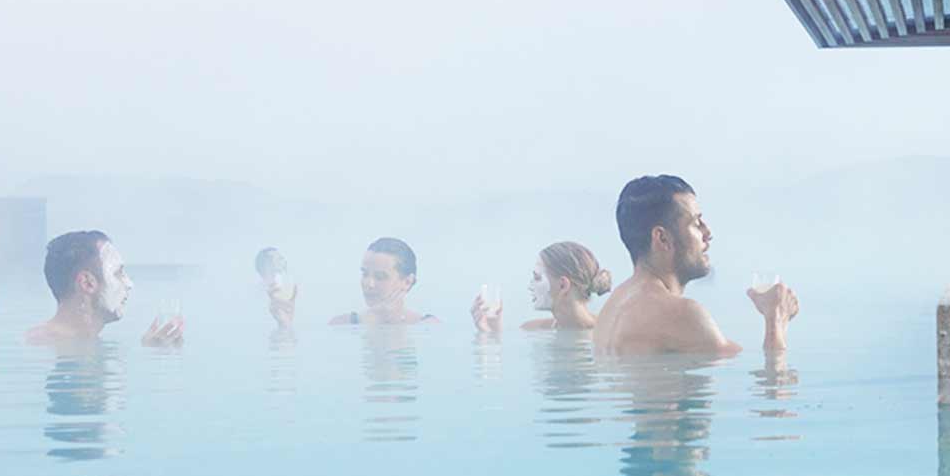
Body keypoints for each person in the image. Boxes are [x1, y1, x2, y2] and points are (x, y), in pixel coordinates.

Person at [593, 175, 798, 356]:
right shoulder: (681, 314)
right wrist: (776, 319)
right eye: (696, 223)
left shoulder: (610, 309)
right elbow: (769, 379)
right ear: (662, 238)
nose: (708, 233)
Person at [26, 230, 183, 347]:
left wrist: (150, 349)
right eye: (118, 273)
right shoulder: (43, 344)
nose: (129, 284)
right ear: (87, 283)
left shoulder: (81, 342)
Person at [470, 241, 613, 332]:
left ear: (563, 285)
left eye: (537, 278)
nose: (530, 287)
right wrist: (492, 332)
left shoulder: (610, 332)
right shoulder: (532, 329)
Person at [330, 237, 438, 325]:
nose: (369, 284)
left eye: (380, 277)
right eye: (365, 274)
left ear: (407, 282)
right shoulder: (341, 324)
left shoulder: (429, 326)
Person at [255, 247, 297, 328]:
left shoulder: (284, 289)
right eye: (279, 259)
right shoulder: (257, 293)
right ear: (267, 264)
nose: (284, 262)